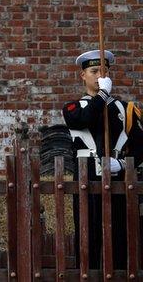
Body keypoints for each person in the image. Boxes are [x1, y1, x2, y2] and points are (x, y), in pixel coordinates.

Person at [63, 49, 130, 269]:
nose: (100, 76)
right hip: (87, 173)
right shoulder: (73, 107)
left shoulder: (123, 109)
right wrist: (102, 95)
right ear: (83, 75)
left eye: (105, 71)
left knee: (119, 235)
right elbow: (84, 119)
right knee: (87, 233)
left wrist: (120, 163)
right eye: (94, 71)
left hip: (117, 174)